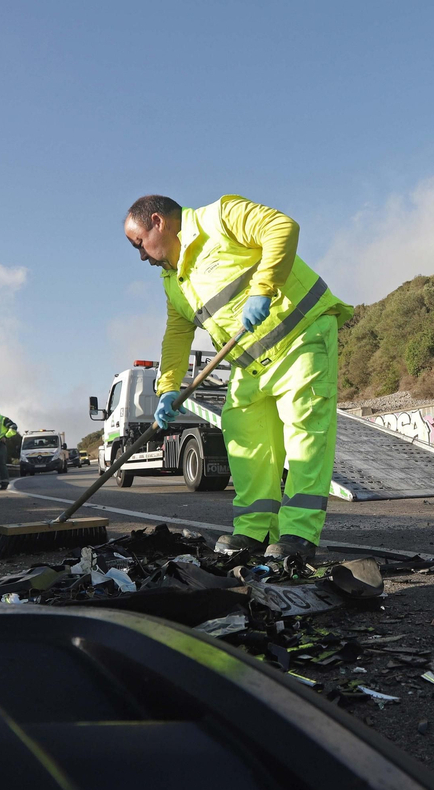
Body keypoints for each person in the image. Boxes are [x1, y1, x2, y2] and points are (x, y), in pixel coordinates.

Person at [124, 194, 352, 563]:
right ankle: (254, 531)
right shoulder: (173, 281)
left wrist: (262, 289)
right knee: (245, 437)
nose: (142, 256)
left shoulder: (220, 217)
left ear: (158, 222)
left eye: (139, 244)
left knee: (304, 435)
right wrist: (167, 389)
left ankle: (297, 534)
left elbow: (282, 227)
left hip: (300, 335)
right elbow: (177, 334)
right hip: (250, 363)